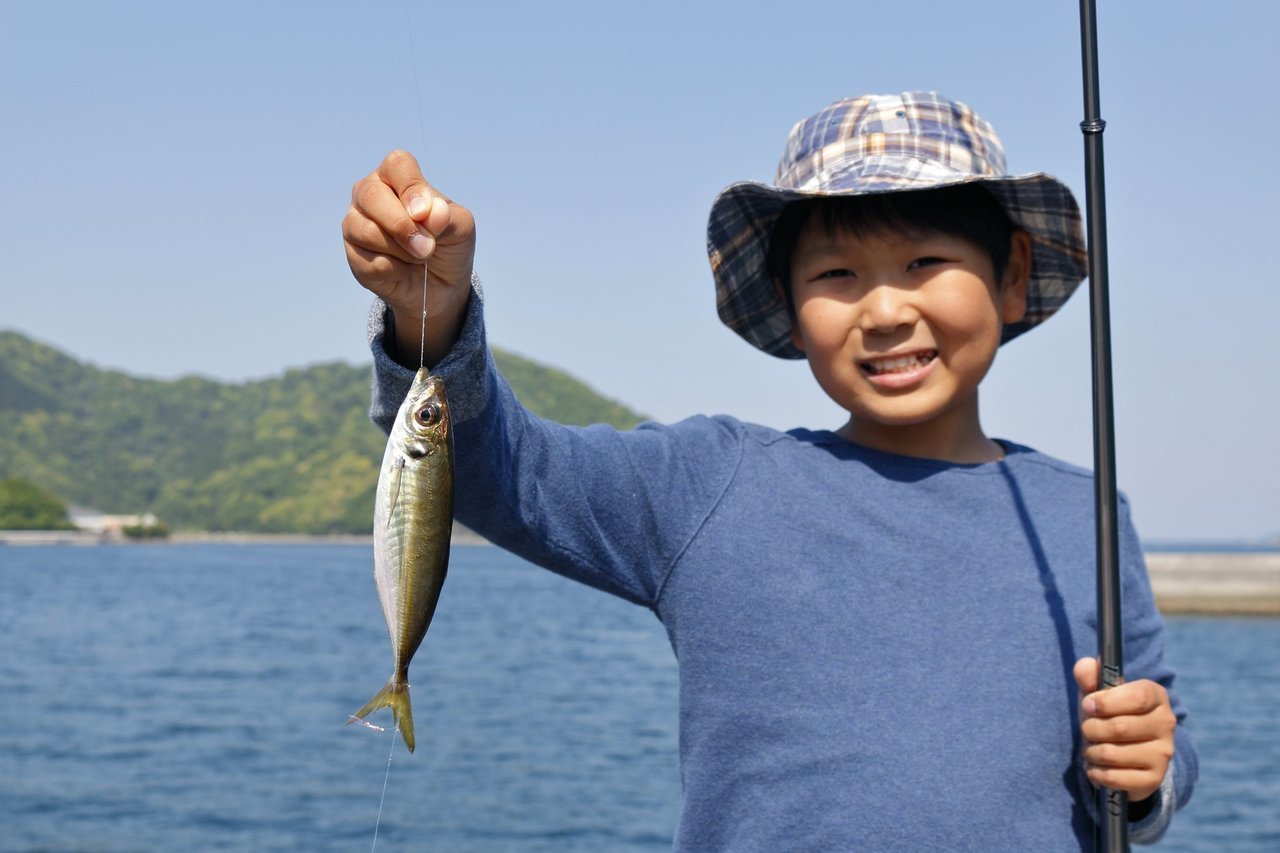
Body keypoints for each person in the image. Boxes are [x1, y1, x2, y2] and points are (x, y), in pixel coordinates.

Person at [342, 91, 1196, 849]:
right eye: (838, 274)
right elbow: (501, 470)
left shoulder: (1083, 513)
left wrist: (1149, 769)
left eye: (926, 262)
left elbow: (1161, 742)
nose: (886, 310)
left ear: (1011, 278)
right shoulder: (710, 484)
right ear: (788, 306)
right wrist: (432, 314)